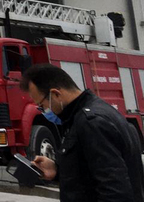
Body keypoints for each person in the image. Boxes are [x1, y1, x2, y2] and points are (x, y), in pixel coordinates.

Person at [20, 63, 144, 201]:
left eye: (42, 106)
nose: (44, 111)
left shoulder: (91, 123)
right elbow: (91, 170)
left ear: (56, 94)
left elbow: (114, 189)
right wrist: (57, 169)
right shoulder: (86, 115)